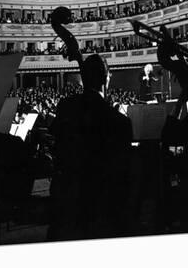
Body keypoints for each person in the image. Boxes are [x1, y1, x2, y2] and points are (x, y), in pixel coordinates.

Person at [48, 54, 133, 241]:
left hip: (65, 202)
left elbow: (55, 140)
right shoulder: (120, 122)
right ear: (106, 78)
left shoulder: (65, 106)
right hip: (100, 208)